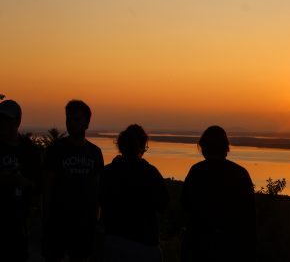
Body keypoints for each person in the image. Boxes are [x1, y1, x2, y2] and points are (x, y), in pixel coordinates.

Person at [181, 125, 256, 262]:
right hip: (231, 245)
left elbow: (185, 204)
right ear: (226, 147)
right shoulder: (240, 173)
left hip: (198, 244)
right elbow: (249, 212)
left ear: (204, 147)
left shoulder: (197, 171)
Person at [42, 100, 104, 262]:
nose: (71, 123)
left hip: (84, 224)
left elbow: (97, 189)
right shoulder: (56, 149)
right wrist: (46, 217)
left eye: (77, 119)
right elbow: (48, 185)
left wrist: (96, 219)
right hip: (58, 222)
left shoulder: (95, 153)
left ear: (87, 123)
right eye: (69, 119)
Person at [100, 124, 169, 262]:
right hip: (144, 245)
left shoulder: (108, 172)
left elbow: (99, 202)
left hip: (113, 242)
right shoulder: (150, 173)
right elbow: (163, 205)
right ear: (142, 146)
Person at [0, 100, 41, 262]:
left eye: (6, 119)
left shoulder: (30, 150)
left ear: (17, 121)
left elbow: (39, 184)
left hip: (19, 222)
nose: (1, 123)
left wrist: (26, 183)